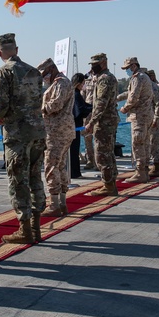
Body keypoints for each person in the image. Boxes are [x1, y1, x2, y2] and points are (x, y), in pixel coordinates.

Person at [0, 33, 46, 244]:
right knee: (34, 177)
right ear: (17, 49)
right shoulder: (33, 71)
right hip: (37, 132)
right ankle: (36, 225)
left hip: (17, 134)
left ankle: (25, 228)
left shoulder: (4, 72)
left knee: (18, 181)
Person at [37, 58, 74, 218]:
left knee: (51, 166)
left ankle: (54, 204)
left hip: (57, 132)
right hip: (61, 130)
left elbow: (55, 105)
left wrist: (38, 108)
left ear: (51, 69)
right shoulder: (60, 82)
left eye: (44, 75)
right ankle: (62, 202)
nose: (44, 79)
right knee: (59, 167)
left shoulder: (61, 83)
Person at [117, 56, 154, 183]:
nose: (126, 71)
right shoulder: (145, 77)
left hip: (139, 116)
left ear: (133, 66)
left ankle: (140, 172)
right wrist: (117, 98)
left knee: (138, 144)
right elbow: (129, 93)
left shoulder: (137, 78)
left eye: (127, 68)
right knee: (144, 144)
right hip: (146, 115)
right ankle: (144, 170)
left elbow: (133, 97)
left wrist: (124, 108)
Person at [87, 53, 119, 196]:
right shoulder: (105, 78)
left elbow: (101, 103)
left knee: (102, 154)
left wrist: (91, 122)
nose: (93, 67)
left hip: (104, 122)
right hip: (108, 120)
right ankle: (110, 182)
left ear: (104, 62)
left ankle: (108, 185)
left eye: (96, 64)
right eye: (92, 64)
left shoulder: (105, 79)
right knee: (108, 152)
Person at [69, 73, 92, 179]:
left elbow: (83, 105)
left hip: (72, 125)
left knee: (73, 150)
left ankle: (74, 172)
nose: (84, 85)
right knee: (73, 150)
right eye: (83, 83)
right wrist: (92, 109)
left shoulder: (73, 93)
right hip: (74, 126)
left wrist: (92, 106)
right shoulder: (76, 94)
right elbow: (80, 110)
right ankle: (74, 172)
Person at [81, 75, 96, 169]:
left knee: (100, 138)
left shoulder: (104, 79)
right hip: (88, 113)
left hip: (99, 112)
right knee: (87, 138)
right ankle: (90, 160)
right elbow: (83, 96)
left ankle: (99, 161)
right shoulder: (87, 82)